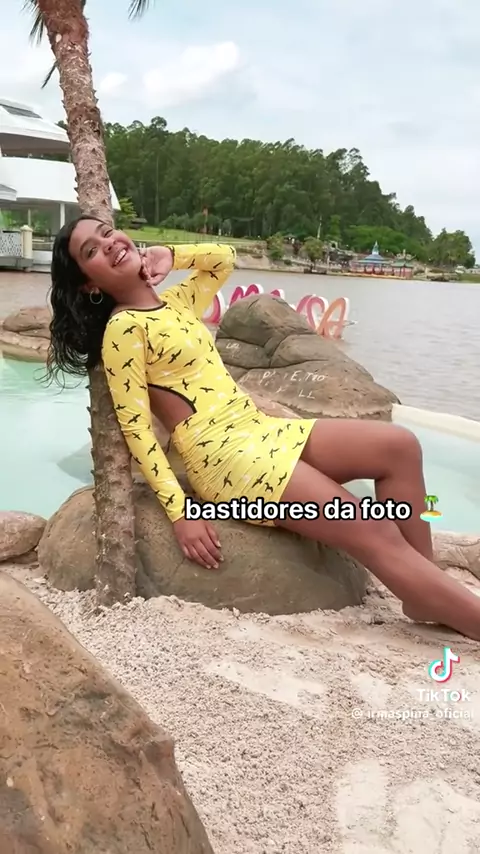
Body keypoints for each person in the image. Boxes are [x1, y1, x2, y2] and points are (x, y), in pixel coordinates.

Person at [47, 214, 480, 640]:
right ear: (89, 284)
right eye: (92, 251)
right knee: (372, 527)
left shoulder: (176, 304)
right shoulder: (123, 329)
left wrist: (170, 254)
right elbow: (137, 429)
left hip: (259, 430)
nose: (108, 243)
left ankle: (425, 589)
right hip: (225, 460)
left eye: (107, 232)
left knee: (399, 445)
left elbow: (223, 260)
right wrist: (180, 514)